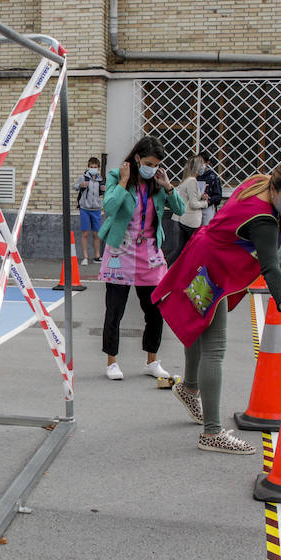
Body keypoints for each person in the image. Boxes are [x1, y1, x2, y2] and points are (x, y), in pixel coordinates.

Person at [152, 162, 281, 455]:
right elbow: (271, 268)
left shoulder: (259, 181)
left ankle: (189, 388)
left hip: (202, 261)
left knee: (197, 326)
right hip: (211, 270)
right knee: (215, 347)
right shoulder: (264, 220)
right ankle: (212, 433)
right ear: (275, 189)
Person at [98, 137, 185, 381]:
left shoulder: (157, 182)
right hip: (120, 253)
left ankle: (152, 360)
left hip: (150, 256)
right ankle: (112, 361)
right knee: (115, 310)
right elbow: (110, 206)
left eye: (157, 164)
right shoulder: (118, 176)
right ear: (137, 158)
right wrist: (124, 182)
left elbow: (180, 210)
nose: (152, 168)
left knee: (155, 311)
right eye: (148, 163)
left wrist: (168, 186)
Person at [168, 155, 210, 264]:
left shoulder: (186, 180)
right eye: (202, 165)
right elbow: (193, 204)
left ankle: (167, 270)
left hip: (183, 219)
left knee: (180, 249)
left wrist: (201, 196)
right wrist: (205, 203)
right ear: (197, 167)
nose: (204, 167)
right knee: (192, 249)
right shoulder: (192, 181)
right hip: (190, 221)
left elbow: (188, 198)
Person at [77, 157, 106, 263]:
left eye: (95, 167)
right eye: (91, 167)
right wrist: (81, 185)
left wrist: (104, 189)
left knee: (96, 234)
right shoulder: (83, 178)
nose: (93, 169)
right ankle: (85, 257)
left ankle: (97, 256)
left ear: (98, 168)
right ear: (88, 167)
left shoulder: (100, 179)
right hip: (85, 208)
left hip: (96, 209)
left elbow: (102, 191)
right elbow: (74, 186)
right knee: (85, 233)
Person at [197, 152, 224, 224]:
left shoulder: (213, 177)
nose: (199, 165)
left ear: (207, 163)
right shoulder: (194, 176)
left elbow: (218, 196)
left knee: (207, 229)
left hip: (208, 208)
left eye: (201, 162)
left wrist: (209, 199)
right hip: (195, 208)